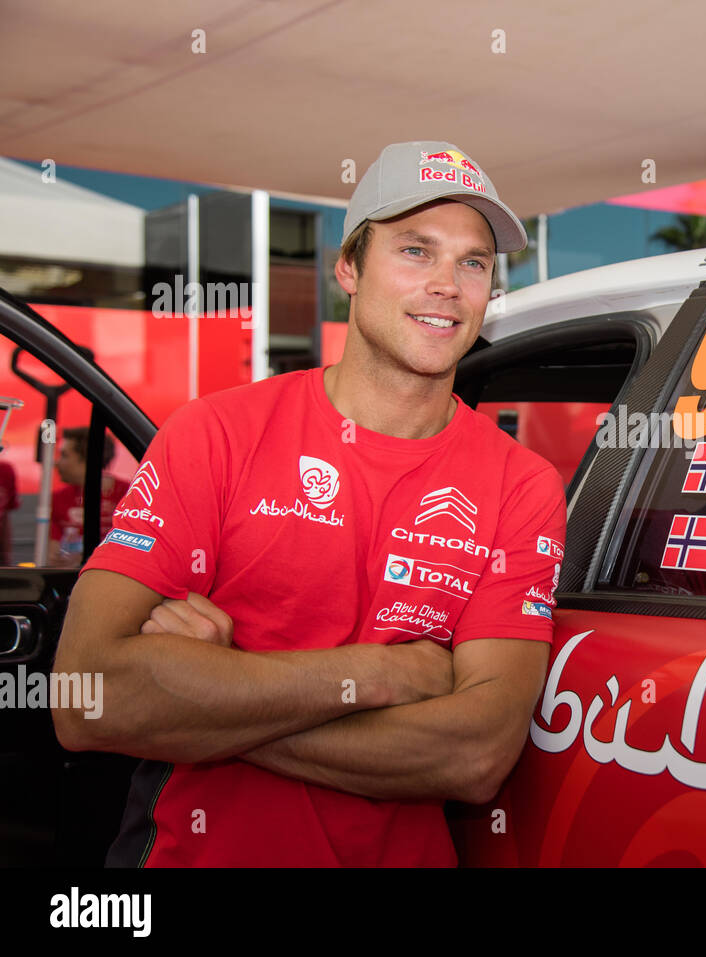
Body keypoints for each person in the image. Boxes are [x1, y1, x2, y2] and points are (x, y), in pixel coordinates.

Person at [52, 141, 566, 867]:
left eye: (473, 261)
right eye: (416, 250)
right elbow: (86, 696)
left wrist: (210, 695)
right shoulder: (217, 433)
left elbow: (475, 753)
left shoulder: (522, 483)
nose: (448, 284)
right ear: (349, 268)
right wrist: (385, 676)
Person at [49, 426, 126, 567]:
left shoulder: (128, 494)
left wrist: (87, 559)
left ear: (87, 458)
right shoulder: (59, 498)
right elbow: (52, 557)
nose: (56, 463)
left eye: (64, 455)